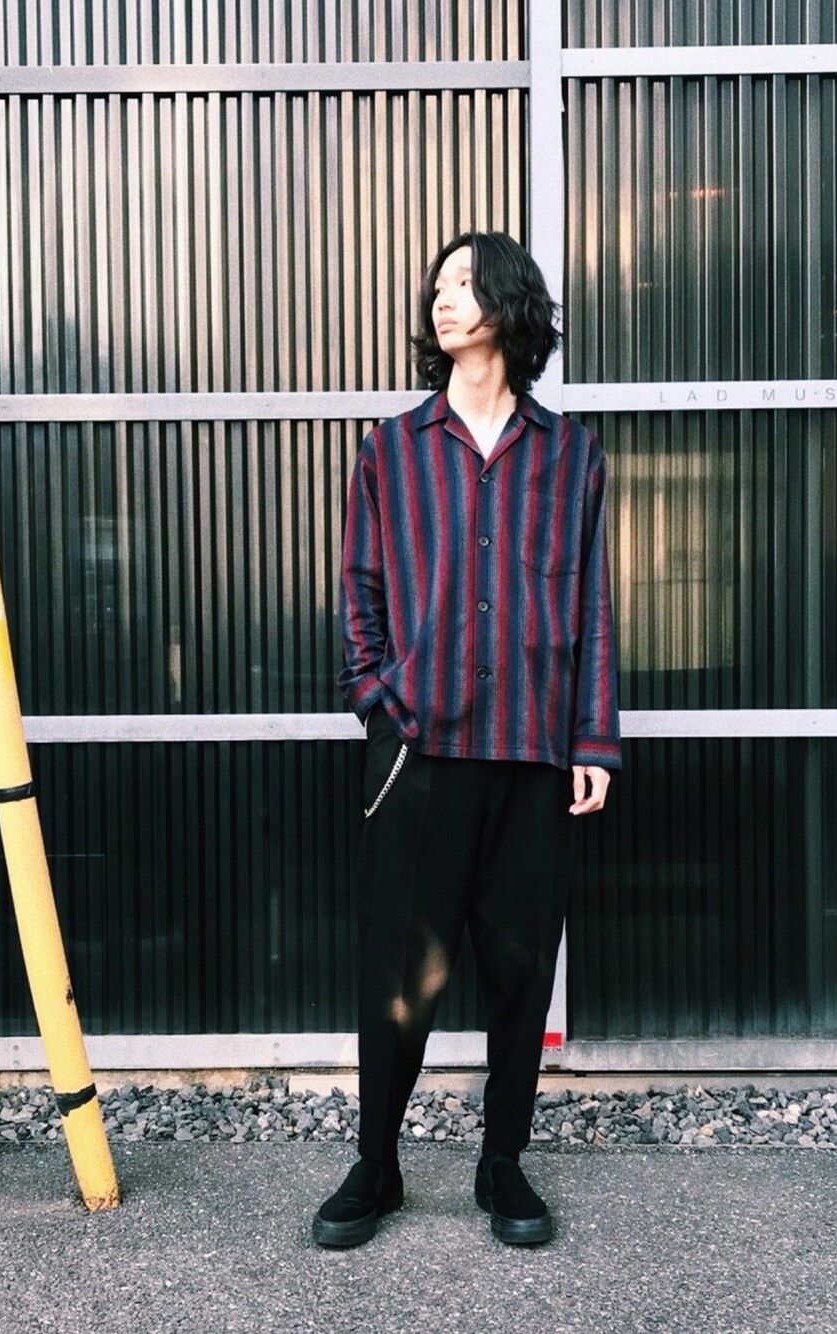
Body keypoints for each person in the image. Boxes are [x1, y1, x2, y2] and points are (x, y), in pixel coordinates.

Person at [313, 231, 621, 1248]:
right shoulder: (393, 448)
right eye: (438, 286)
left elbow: (592, 607)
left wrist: (593, 739)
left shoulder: (570, 454)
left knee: (520, 974)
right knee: (399, 974)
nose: (443, 299)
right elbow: (359, 587)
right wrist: (377, 697)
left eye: (464, 283)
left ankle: (503, 1163)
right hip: (420, 752)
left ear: (508, 304)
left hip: (532, 754)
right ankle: (377, 1163)